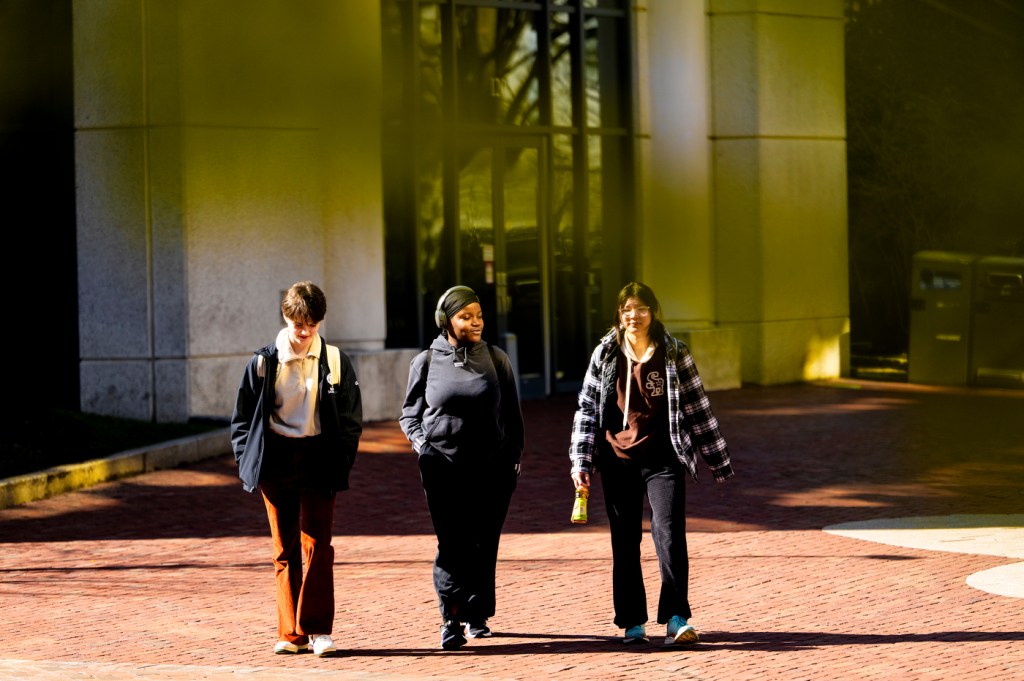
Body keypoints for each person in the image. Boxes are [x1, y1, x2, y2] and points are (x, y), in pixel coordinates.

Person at [568, 281, 733, 646]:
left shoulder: (674, 352)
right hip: (617, 459)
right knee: (624, 541)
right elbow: (587, 408)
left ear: (653, 312)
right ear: (618, 313)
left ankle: (676, 617)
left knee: (670, 534)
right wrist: (581, 460)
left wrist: (717, 460)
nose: (634, 316)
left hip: (664, 457)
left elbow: (697, 407)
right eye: (627, 309)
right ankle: (632, 622)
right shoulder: (606, 354)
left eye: (642, 309)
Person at [230, 280, 363, 658]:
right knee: (284, 549)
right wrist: (248, 461)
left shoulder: (335, 361)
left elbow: (352, 417)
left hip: (319, 458)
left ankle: (319, 630)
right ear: (285, 317)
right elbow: (242, 419)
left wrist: (342, 458)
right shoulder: (262, 362)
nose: (304, 332)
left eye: (312, 325)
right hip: (276, 460)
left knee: (319, 545)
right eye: (298, 324)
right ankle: (291, 633)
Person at [400, 285, 525, 651]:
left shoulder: (497, 359)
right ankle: (451, 618)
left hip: (492, 468)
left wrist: (513, 458)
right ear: (447, 321)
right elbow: (409, 413)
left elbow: (514, 417)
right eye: (465, 316)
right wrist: (424, 448)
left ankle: (478, 614)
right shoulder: (425, 361)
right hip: (442, 467)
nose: (475, 322)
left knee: (484, 542)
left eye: (479, 315)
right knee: (452, 543)